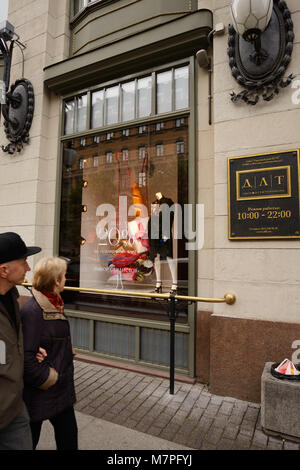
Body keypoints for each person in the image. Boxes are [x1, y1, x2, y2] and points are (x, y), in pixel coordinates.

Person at [20, 256, 78, 450]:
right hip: (40, 392)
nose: (66, 278)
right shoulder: (33, 310)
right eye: (64, 275)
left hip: (59, 392)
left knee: (68, 440)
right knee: (28, 443)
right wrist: (49, 378)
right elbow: (27, 357)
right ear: (56, 280)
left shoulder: (55, 302)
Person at [0, 232, 41, 450]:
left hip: (14, 406)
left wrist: (24, 350)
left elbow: (2, 349)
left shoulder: (12, 298)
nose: (28, 268)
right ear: (4, 270)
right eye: (24, 262)